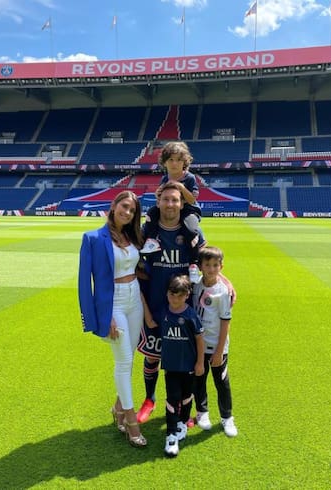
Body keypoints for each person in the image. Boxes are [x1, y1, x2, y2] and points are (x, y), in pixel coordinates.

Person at [136, 181, 236, 424]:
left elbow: (208, 263)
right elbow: (134, 271)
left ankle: (184, 407)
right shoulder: (146, 232)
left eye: (175, 200)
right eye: (166, 199)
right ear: (158, 202)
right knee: (152, 356)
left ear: (182, 204)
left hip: (186, 309)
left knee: (187, 360)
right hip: (155, 304)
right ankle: (149, 399)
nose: (170, 204)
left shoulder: (191, 233)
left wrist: (226, 281)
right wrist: (146, 310)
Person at [78, 190, 147, 448]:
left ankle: (118, 408)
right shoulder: (93, 238)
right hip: (113, 303)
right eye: (124, 206)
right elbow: (85, 284)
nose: (127, 212)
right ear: (114, 205)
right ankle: (131, 421)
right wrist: (99, 317)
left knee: (129, 359)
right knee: (124, 361)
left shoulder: (133, 236)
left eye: (132, 210)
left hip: (134, 298)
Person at [140, 141, 202, 284]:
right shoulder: (165, 178)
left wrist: (180, 187)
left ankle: (193, 264)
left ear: (185, 162)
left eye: (179, 160)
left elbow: (192, 200)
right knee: (151, 213)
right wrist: (158, 194)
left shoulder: (190, 178)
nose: (175, 163)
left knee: (190, 229)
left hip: (188, 210)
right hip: (172, 208)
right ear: (165, 162)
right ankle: (152, 241)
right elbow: (161, 196)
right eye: (171, 160)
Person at [192, 246, 238, 437]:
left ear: (221, 266)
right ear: (200, 267)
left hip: (217, 347)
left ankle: (227, 418)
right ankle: (202, 412)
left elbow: (225, 322)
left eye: (215, 265)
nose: (211, 269)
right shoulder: (195, 286)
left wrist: (219, 351)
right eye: (207, 265)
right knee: (199, 379)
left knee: (221, 382)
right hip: (198, 346)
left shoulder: (223, 291)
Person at [160, 274, 205, 457]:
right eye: (172, 295)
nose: (175, 299)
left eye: (180, 296)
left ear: (187, 295)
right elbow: (149, 321)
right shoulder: (163, 313)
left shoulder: (190, 315)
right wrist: (140, 298)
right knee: (172, 398)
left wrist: (200, 362)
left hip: (188, 366)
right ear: (167, 294)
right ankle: (171, 435)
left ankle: (182, 423)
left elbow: (200, 340)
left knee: (187, 397)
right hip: (171, 367)